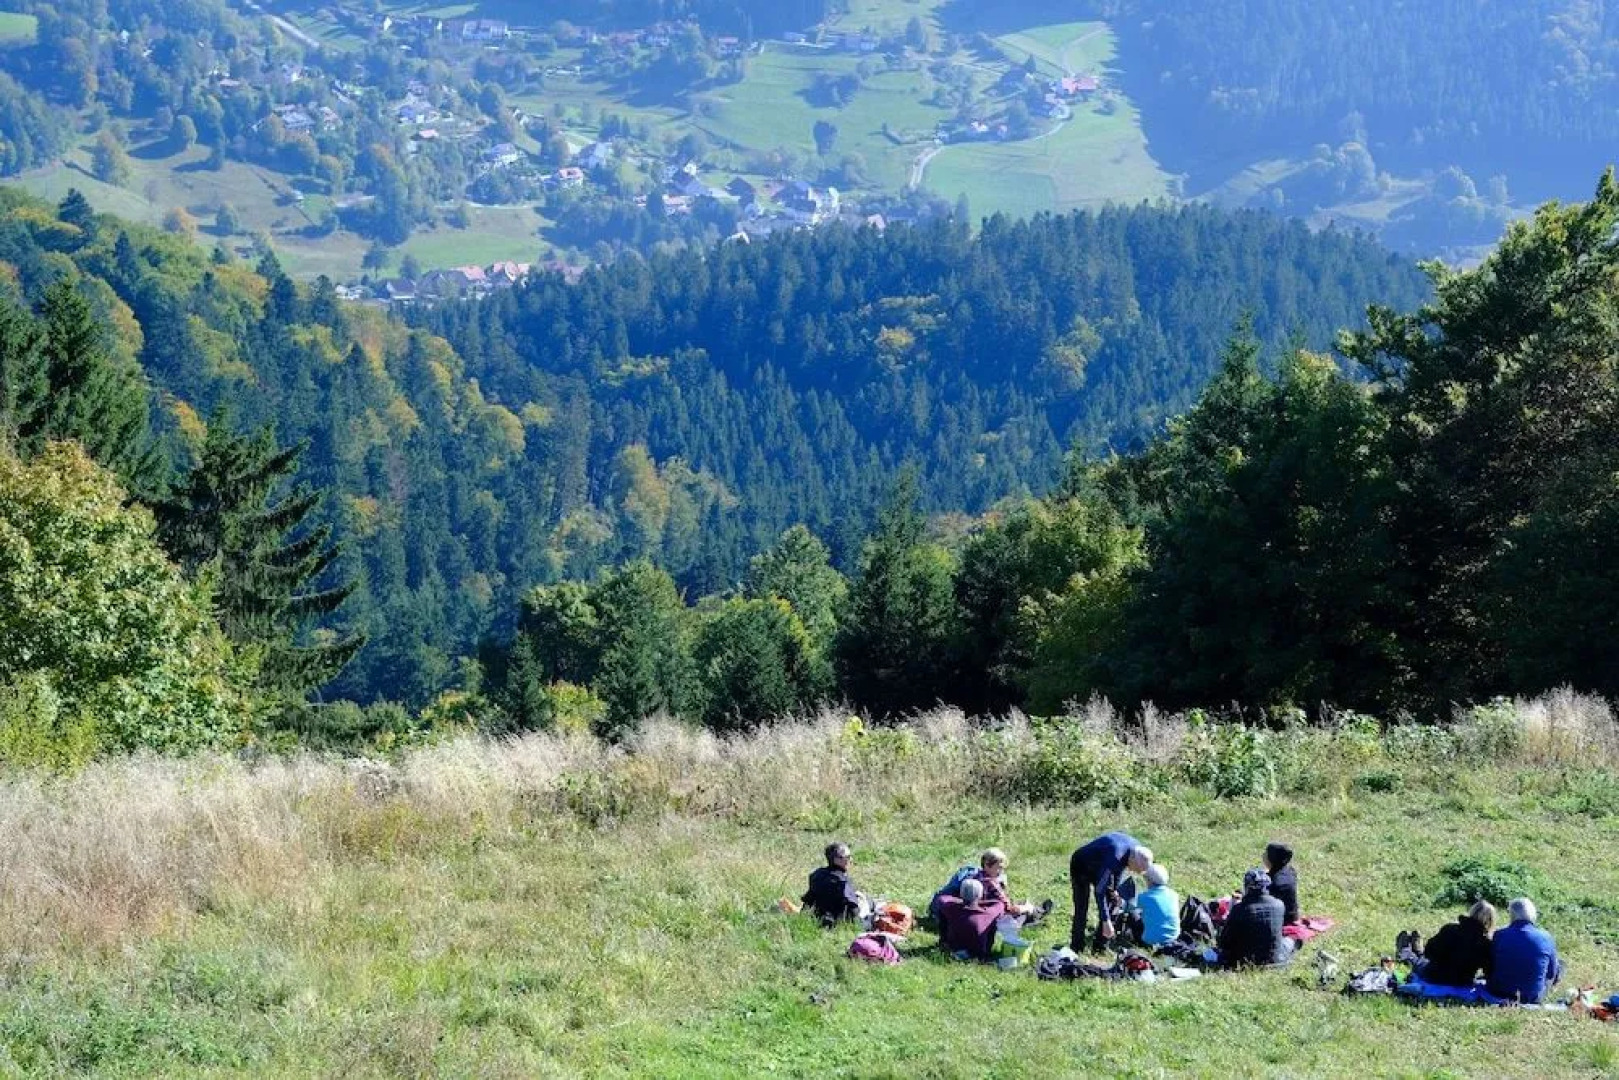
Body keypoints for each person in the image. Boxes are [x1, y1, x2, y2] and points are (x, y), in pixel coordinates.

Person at [1068, 831, 1153, 952]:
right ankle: (1077, 946)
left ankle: (1099, 946)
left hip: (1103, 862)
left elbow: (1120, 869)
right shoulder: (1115, 856)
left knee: (1113, 900)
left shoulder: (1136, 849)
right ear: (1133, 860)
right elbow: (1099, 891)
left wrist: (1115, 890)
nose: (1134, 872)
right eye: (1136, 869)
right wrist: (1105, 919)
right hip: (1082, 864)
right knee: (1082, 906)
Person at [1487, 897, 1562, 1004]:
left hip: (1498, 991)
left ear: (1512, 915)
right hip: (1532, 996)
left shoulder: (1499, 935)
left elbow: (1491, 964)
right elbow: (1552, 973)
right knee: (1561, 965)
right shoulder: (1546, 937)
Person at [1217, 868, 1292, 969]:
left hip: (1244, 962)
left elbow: (1224, 942)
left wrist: (1231, 913)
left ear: (1247, 887)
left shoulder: (1240, 909)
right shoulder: (1279, 904)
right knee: (1289, 941)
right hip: (1275, 961)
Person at [1418, 900, 1495, 988]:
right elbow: (1488, 970)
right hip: (1461, 982)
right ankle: (1414, 947)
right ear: (1489, 920)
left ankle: (1410, 949)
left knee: (1419, 961)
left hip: (1434, 976)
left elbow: (1429, 951)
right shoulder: (1486, 943)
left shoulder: (1450, 929)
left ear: (1472, 911)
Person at [937, 877, 1007, 961]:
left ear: (961, 893)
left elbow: (942, 898)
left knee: (942, 912)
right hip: (978, 955)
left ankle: (944, 943)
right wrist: (981, 902)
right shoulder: (988, 913)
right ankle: (987, 951)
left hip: (953, 949)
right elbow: (1000, 904)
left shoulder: (951, 908)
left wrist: (959, 900)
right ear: (980, 895)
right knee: (993, 922)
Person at [975, 848, 1050, 924]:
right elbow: (1008, 909)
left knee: (1020, 903)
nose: (1001, 871)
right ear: (987, 865)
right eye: (999, 867)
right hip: (992, 919)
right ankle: (1036, 913)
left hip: (979, 914)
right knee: (1023, 910)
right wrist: (1026, 908)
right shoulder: (992, 884)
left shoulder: (976, 876)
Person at [802, 842, 865, 926]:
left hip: (819, 917)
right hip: (838, 921)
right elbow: (853, 907)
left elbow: (808, 899)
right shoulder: (842, 881)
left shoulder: (817, 874)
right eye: (848, 857)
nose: (851, 860)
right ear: (837, 859)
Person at [1126, 863, 1181, 948]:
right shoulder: (1174, 894)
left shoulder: (1145, 897)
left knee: (1132, 914)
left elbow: (1127, 907)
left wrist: (1120, 902)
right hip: (1173, 939)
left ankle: (1131, 937)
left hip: (1150, 943)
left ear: (1150, 881)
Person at [1264, 842, 1300, 925]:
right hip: (1293, 914)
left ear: (1272, 858)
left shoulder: (1274, 883)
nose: (1264, 855)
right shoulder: (1290, 870)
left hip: (1281, 919)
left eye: (1266, 853)